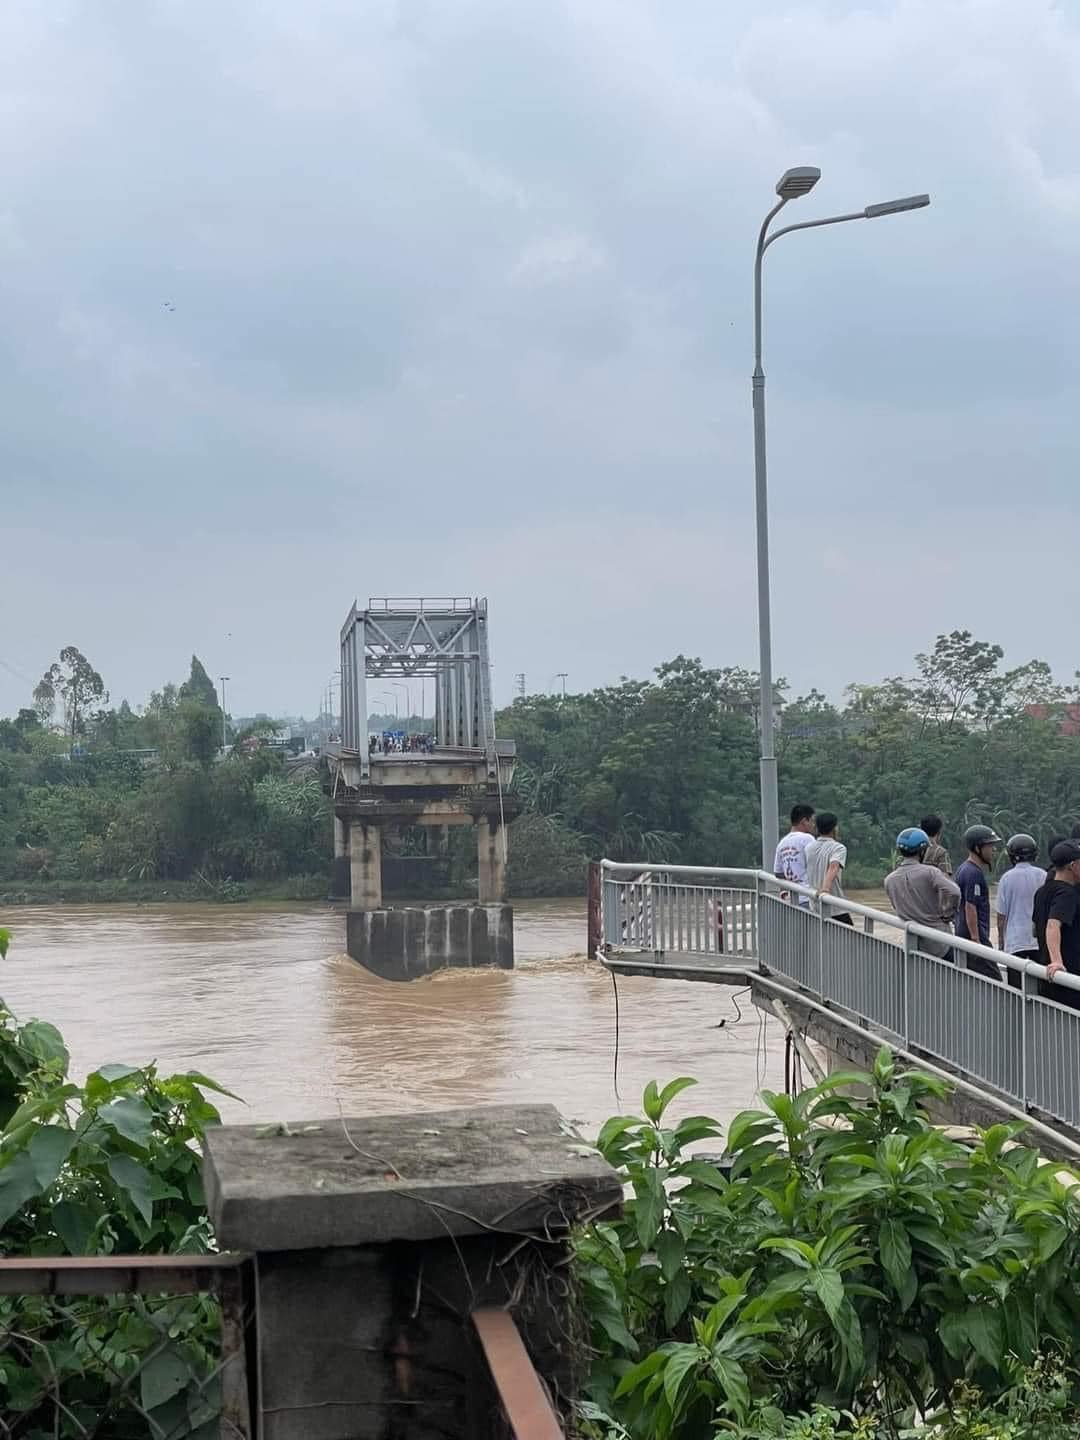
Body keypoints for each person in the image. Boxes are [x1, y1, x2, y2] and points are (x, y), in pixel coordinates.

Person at [883, 827, 960, 959]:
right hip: (940, 942)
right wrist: (948, 913)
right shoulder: (930, 872)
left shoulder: (889, 880)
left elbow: (897, 907)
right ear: (923, 850)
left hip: (913, 943)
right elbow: (955, 892)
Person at [1033, 839, 1080, 1010]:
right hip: (1067, 976)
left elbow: (1036, 929)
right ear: (1073, 866)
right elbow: (1053, 924)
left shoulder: (1042, 891)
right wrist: (1057, 961)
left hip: (1047, 976)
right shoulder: (1067, 893)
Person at [953, 824, 1002, 980]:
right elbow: (970, 906)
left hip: (965, 935)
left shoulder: (963, 869)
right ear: (977, 848)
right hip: (975, 938)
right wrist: (976, 940)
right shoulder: (973, 873)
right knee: (996, 983)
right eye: (990, 846)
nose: (993, 850)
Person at [995, 834, 1044, 990]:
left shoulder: (1006, 879)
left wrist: (1001, 944)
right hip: (1038, 941)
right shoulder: (1043, 875)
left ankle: (1016, 1014)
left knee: (1016, 989)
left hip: (1015, 941)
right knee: (1040, 989)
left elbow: (1001, 916)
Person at [805, 813, 852, 924]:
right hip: (834, 907)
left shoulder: (809, 847)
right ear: (834, 828)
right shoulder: (838, 848)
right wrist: (825, 889)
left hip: (815, 905)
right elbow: (833, 867)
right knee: (856, 939)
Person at [773, 804, 815, 905]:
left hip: (791, 899)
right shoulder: (807, 839)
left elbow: (778, 872)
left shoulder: (782, 843)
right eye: (812, 821)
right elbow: (817, 864)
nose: (813, 825)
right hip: (807, 897)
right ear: (804, 821)